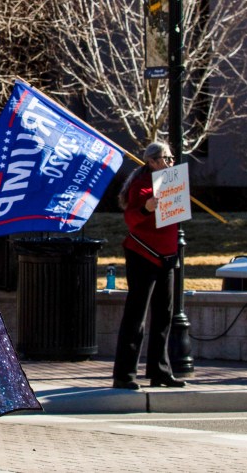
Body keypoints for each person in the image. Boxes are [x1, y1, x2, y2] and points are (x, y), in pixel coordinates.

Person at [111, 141, 187, 391]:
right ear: (153, 161)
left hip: (167, 255)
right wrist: (147, 207)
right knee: (136, 316)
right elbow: (131, 219)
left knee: (164, 315)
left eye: (172, 158)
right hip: (143, 254)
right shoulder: (141, 184)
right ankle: (125, 374)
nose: (170, 162)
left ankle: (160, 371)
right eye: (166, 158)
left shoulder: (171, 181)